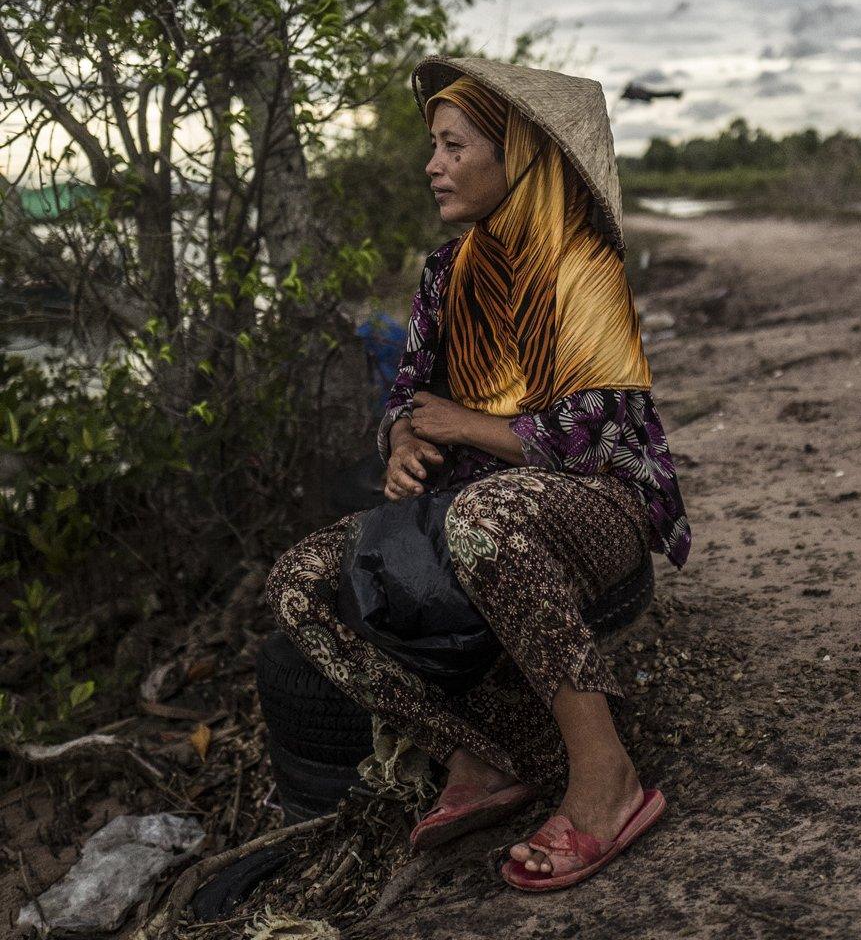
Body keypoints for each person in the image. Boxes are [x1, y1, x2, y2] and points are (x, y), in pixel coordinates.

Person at [266, 54, 692, 891]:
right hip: (482, 505)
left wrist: (464, 425)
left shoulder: (585, 266)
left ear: (517, 155)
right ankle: (486, 757)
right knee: (298, 583)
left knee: (482, 519)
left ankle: (607, 781)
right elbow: (409, 389)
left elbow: (600, 430)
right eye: (434, 146)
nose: (433, 165)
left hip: (596, 504)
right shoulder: (444, 271)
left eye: (454, 146)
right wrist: (402, 444)